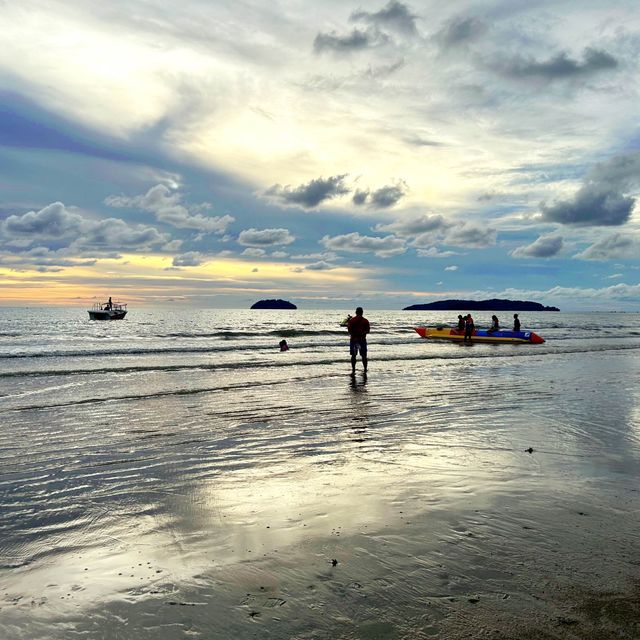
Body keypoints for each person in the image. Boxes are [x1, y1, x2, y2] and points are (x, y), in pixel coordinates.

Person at [347, 307, 370, 373]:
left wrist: (354, 334)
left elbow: (349, 331)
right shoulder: (365, 321)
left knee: (353, 355)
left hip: (354, 340)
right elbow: (368, 331)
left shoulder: (352, 320)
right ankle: (365, 369)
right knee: (364, 356)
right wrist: (362, 333)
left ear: (356, 312)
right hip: (362, 340)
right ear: (362, 312)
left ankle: (353, 369)